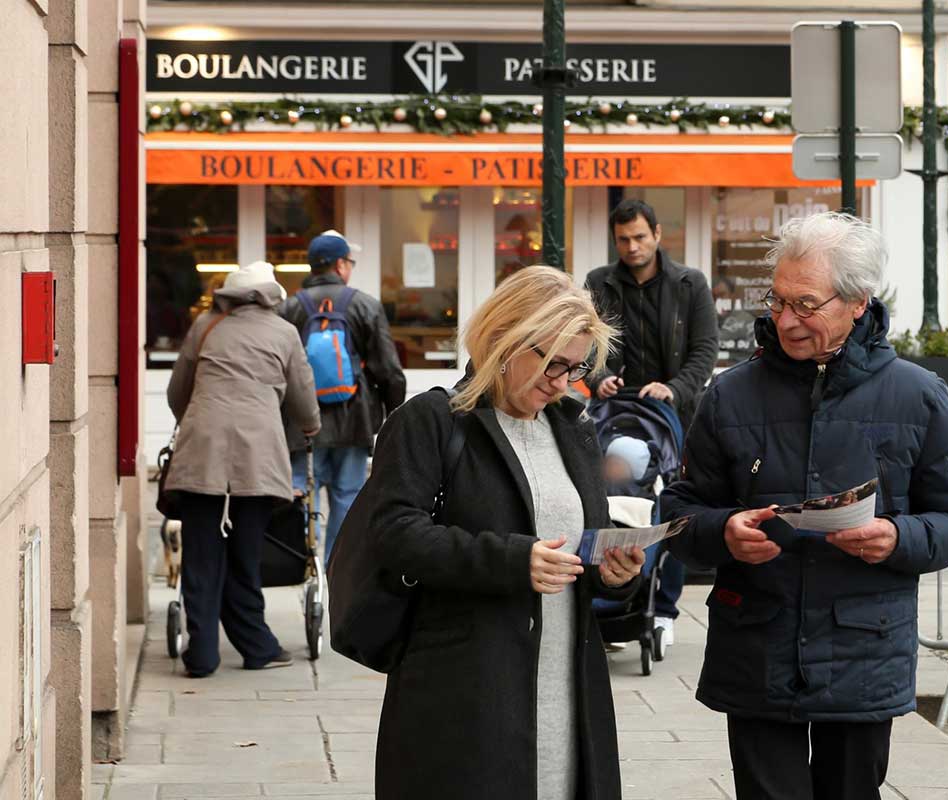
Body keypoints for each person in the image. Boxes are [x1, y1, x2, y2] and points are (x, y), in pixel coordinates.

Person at [661, 212, 948, 800]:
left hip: (863, 649)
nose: (785, 321)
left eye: (806, 305)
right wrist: (722, 531)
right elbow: (679, 509)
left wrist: (898, 536)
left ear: (858, 302)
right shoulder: (730, 393)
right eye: (777, 301)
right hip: (757, 645)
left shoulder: (917, 394)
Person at [362, 266, 645, 799]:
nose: (562, 380)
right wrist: (513, 561)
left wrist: (616, 573)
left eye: (576, 366)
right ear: (504, 337)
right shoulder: (432, 420)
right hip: (466, 696)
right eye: (553, 362)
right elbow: (395, 533)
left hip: (568, 693)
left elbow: (586, 543)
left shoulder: (574, 427)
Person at [163, 260, 321, 678]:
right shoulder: (284, 333)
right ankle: (257, 647)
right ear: (271, 296)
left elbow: (177, 392)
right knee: (245, 556)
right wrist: (310, 427)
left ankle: (202, 655)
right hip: (257, 459)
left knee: (201, 557)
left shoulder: (205, 327)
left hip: (202, 454)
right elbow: (304, 399)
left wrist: (197, 419)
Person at [584, 198, 719, 645]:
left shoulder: (689, 284)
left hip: (672, 418)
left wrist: (675, 389)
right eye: (623, 239)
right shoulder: (599, 283)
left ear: (658, 235)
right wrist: (599, 378)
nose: (632, 246)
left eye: (640, 237)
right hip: (615, 416)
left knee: (671, 506)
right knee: (612, 501)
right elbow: (588, 346)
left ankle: (663, 606)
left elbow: (704, 351)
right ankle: (612, 596)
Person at [279, 230, 407, 562]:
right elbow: (389, 370)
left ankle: (307, 568)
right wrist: (393, 416)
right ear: (340, 264)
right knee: (347, 497)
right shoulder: (365, 305)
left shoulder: (289, 308)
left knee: (304, 496)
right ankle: (335, 567)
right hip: (354, 421)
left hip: (301, 426)